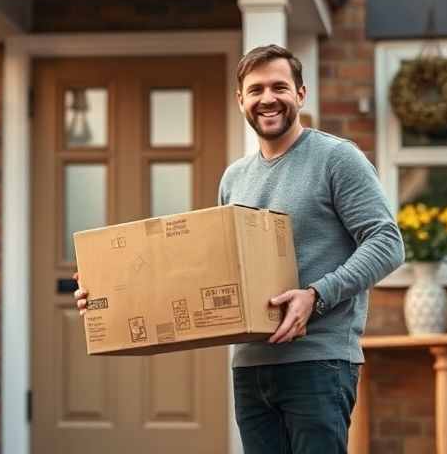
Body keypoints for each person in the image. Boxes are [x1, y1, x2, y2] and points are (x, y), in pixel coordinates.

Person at [74, 44, 405, 454]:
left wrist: (316, 296)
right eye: (256, 90)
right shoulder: (234, 178)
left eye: (280, 87)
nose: (268, 98)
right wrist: (111, 295)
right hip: (251, 367)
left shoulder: (336, 159)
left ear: (301, 95)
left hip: (318, 362)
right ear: (241, 100)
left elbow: (387, 242)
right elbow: (209, 272)